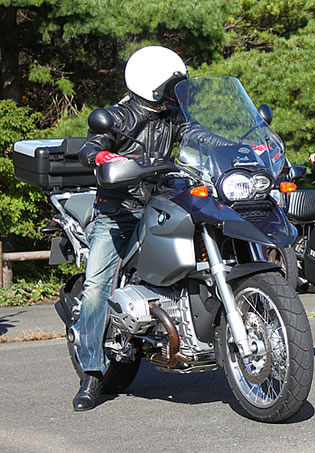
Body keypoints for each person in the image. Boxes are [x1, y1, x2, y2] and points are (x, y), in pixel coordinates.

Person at [73, 46, 189, 411]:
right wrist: (103, 156)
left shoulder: (176, 117)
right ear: (154, 84)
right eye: (173, 85)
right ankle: (92, 374)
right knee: (95, 288)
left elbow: (205, 137)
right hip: (118, 210)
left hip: (163, 203)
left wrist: (239, 143)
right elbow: (91, 146)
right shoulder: (121, 115)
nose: (177, 91)